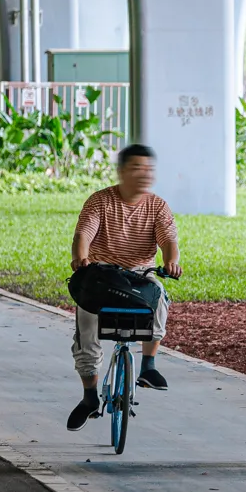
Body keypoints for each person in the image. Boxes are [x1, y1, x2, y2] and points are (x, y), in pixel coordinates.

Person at [66, 144, 182, 432]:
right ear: (121, 172)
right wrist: (80, 258)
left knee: (158, 295)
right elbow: (84, 234)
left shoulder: (157, 206)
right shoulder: (100, 201)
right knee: (87, 328)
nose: (144, 174)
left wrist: (171, 262)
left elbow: (168, 241)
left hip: (140, 275)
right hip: (103, 274)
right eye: (136, 168)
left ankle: (148, 366)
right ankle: (89, 397)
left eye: (148, 169)